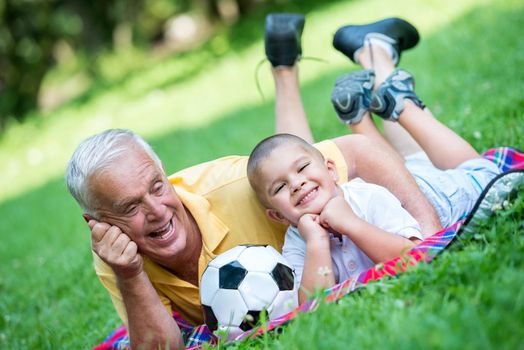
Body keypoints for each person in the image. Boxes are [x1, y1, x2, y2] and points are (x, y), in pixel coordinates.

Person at [65, 14, 441, 349]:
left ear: (165, 174)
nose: (156, 211)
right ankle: (299, 70)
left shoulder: (233, 187)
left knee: (418, 163)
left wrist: (429, 236)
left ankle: (375, 56)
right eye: (130, 207)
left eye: (157, 187)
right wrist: (129, 275)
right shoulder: (117, 254)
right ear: (99, 224)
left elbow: (360, 153)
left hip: (393, 201)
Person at [246, 18, 502, 303]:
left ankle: (401, 106)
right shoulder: (298, 240)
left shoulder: (368, 198)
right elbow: (309, 306)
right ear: (277, 217)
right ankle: (370, 107)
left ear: (332, 170)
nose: (296, 184)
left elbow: (413, 257)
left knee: (483, 171)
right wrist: (317, 241)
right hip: (402, 178)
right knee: (413, 161)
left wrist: (351, 224)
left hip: (443, 196)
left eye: (303, 169)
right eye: (280, 187)